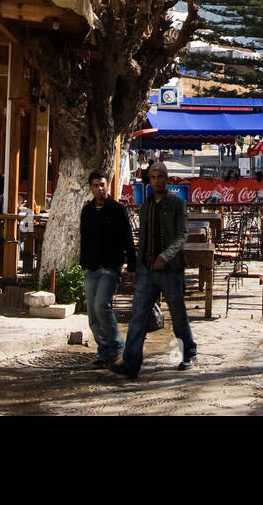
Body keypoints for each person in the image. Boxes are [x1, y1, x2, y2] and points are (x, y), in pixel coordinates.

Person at [113, 162, 197, 379]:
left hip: (171, 271)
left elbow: (182, 235)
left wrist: (165, 256)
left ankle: (188, 353)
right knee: (138, 316)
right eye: (153, 177)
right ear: (149, 180)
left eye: (160, 176)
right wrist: (135, 266)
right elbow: (143, 239)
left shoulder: (176, 204)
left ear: (167, 179)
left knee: (177, 315)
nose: (157, 180)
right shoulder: (146, 206)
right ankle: (131, 362)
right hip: (147, 271)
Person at [80, 171, 134, 367]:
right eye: (95, 185)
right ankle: (104, 351)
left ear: (108, 186)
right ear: (91, 188)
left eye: (102, 184)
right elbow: (84, 240)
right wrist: (84, 264)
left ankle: (116, 344)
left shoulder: (118, 210)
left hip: (110, 267)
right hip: (91, 267)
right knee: (92, 313)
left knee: (101, 305)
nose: (99, 189)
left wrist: (131, 265)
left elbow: (127, 239)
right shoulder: (86, 211)